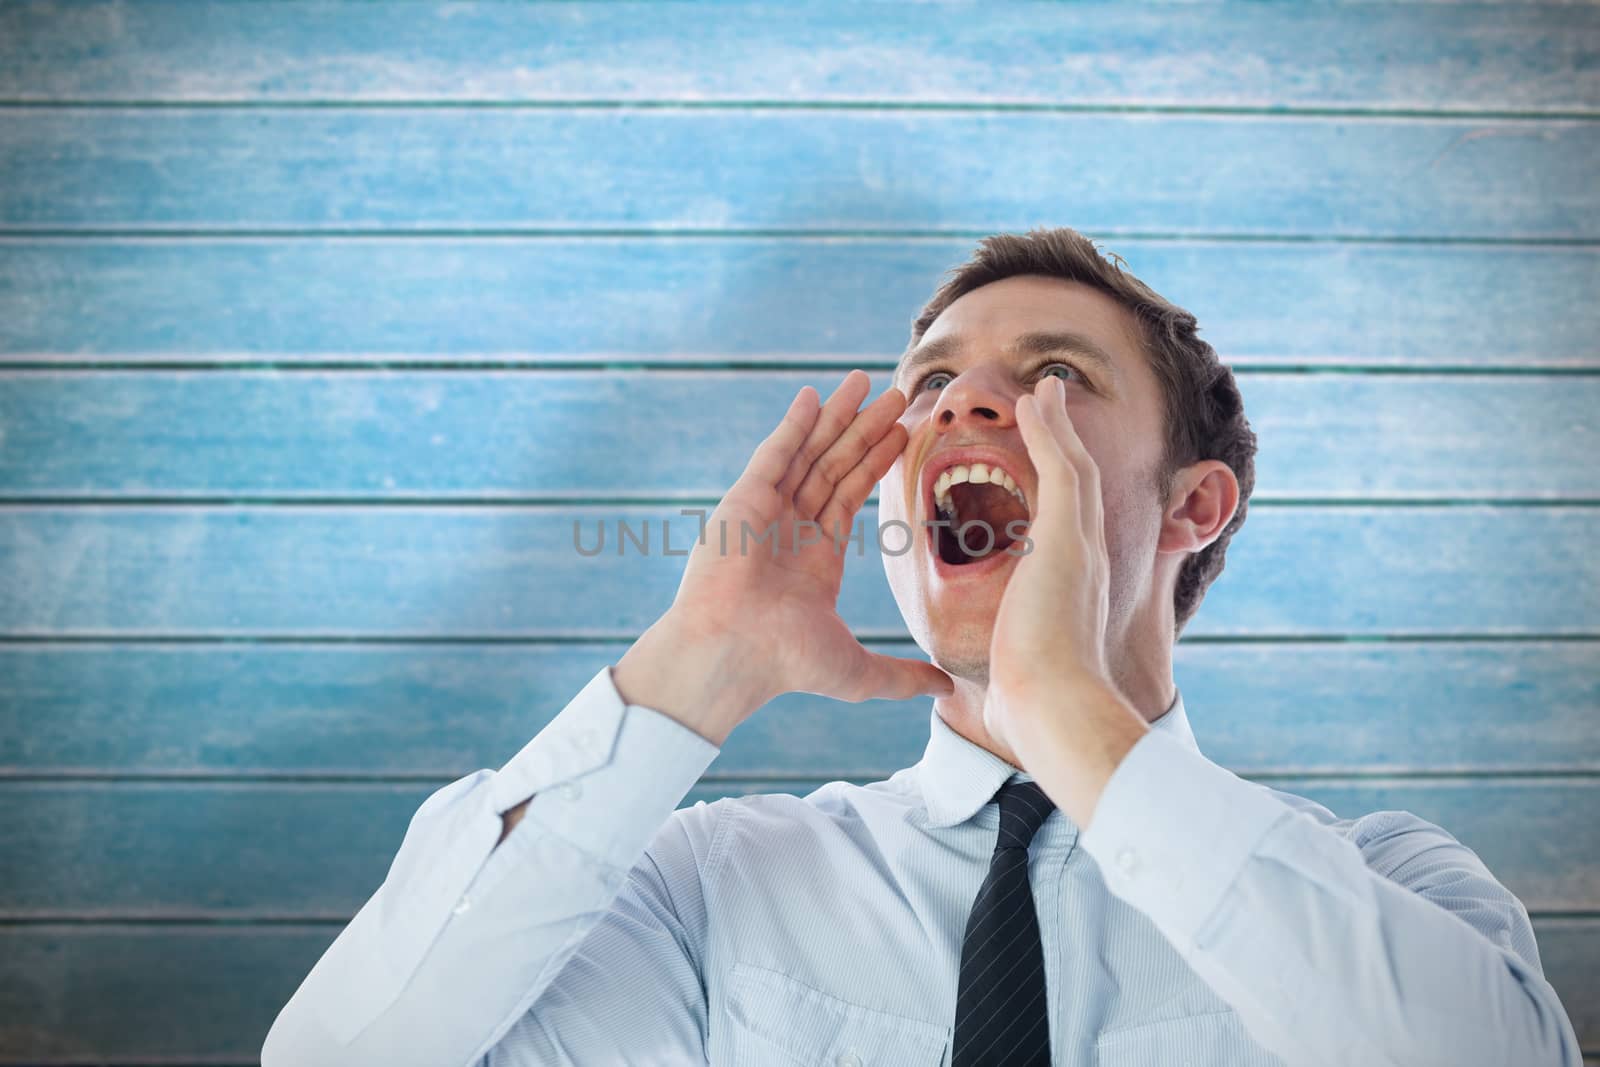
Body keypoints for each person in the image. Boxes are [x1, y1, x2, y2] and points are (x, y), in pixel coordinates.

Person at [262, 227, 1582, 1066]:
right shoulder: (707, 890)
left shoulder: (1391, 886)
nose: (964, 399)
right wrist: (694, 668)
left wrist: (1066, 711)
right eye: (935, 381)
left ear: (1192, 506)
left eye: (1055, 377)